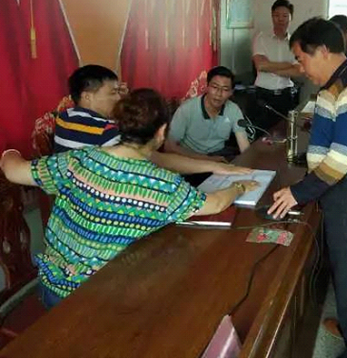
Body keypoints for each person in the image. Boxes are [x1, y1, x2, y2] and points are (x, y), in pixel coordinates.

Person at [0, 89, 259, 309]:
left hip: (52, 289)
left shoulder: (80, 159)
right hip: (101, 298)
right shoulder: (162, 185)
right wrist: (238, 187)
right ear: (161, 132)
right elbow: (216, 203)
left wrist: (9, 151)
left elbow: (13, 170)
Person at [268, 17, 347, 358]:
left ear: (321, 51)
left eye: (301, 59)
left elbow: (341, 160)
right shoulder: (337, 81)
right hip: (343, 188)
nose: (300, 68)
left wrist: (298, 193)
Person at [55, 65, 250, 177]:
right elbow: (159, 159)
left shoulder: (65, 118)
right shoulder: (106, 132)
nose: (119, 98)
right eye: (113, 93)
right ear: (87, 96)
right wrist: (214, 166)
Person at [166, 66, 250, 161]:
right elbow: (169, 146)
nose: (219, 94)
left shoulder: (233, 109)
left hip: (218, 156)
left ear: (231, 92)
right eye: (215, 87)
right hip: (190, 158)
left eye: (225, 89)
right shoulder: (187, 109)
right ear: (207, 86)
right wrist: (206, 159)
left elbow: (244, 147)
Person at [252, 0, 302, 130]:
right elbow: (261, 66)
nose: (280, 19)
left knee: (285, 133)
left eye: (285, 15)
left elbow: (298, 70)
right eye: (276, 15)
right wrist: (288, 65)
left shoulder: (295, 43)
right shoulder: (261, 38)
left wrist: (271, 67)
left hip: (286, 96)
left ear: (291, 17)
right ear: (272, 16)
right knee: (261, 134)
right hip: (263, 96)